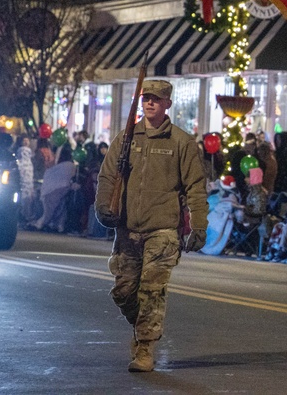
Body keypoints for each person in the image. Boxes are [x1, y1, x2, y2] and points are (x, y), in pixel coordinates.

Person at [94, 79, 209, 373]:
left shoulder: (181, 142)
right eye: (146, 98)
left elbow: (195, 186)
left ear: (168, 103)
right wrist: (104, 208)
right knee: (123, 291)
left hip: (163, 230)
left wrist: (198, 225)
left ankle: (145, 348)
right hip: (128, 228)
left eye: (156, 99)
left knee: (151, 291)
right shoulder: (126, 138)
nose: (149, 103)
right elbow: (107, 177)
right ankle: (142, 326)